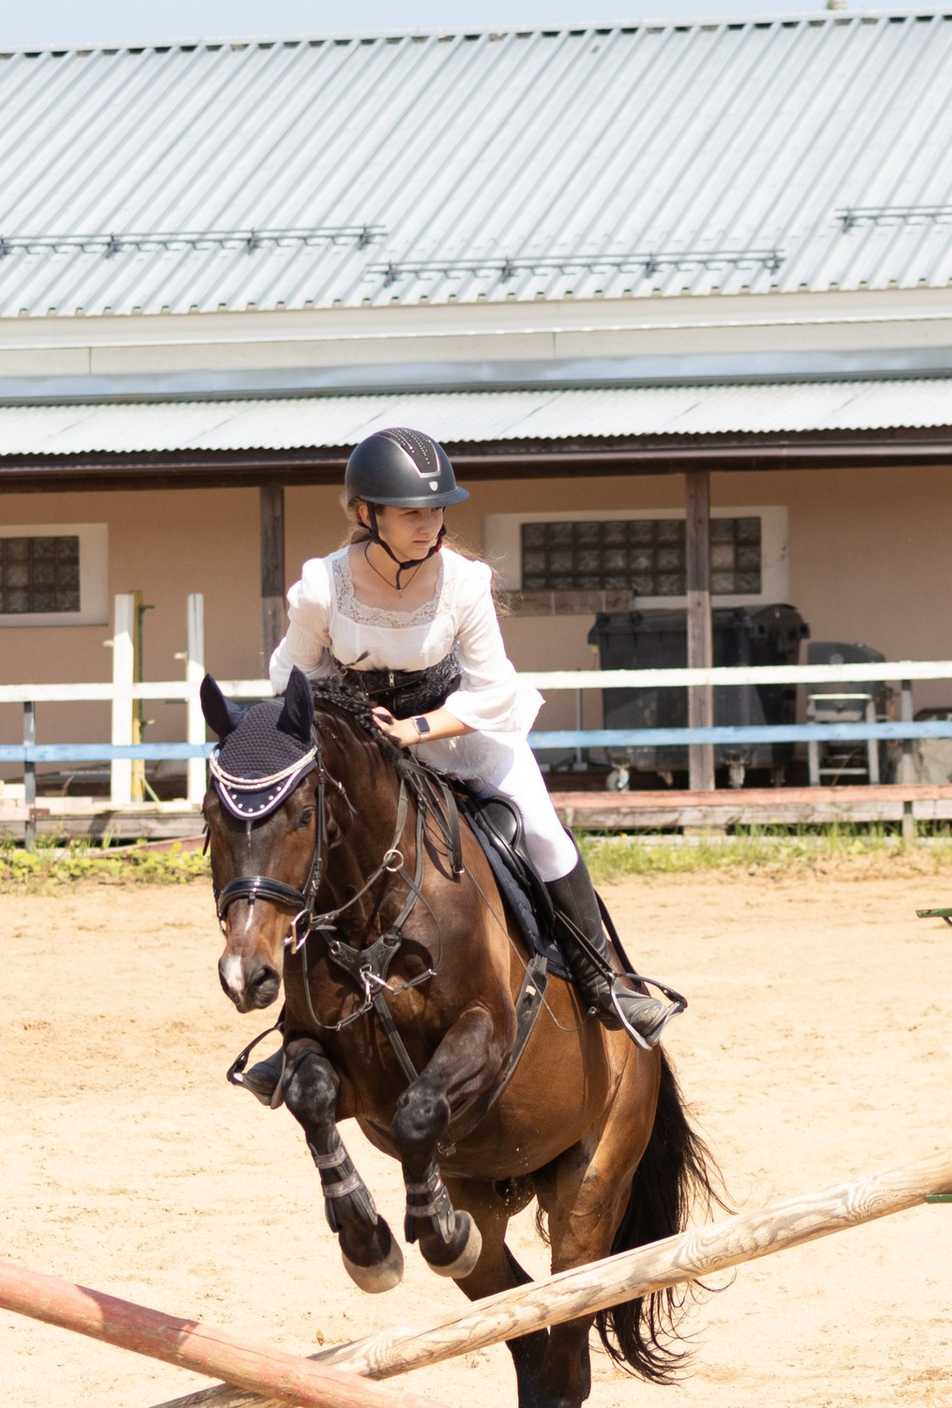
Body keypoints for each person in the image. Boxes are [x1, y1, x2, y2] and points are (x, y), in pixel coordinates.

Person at [267, 423, 671, 1045]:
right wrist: (349, 717)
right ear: (366, 513)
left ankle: (602, 983)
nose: (429, 524)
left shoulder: (463, 582)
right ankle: (294, 1025)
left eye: (436, 510)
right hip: (363, 743)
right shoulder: (324, 586)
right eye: (412, 513)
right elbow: (291, 673)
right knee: (303, 841)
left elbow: (492, 692)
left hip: (463, 731)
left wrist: (413, 729)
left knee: (540, 827)